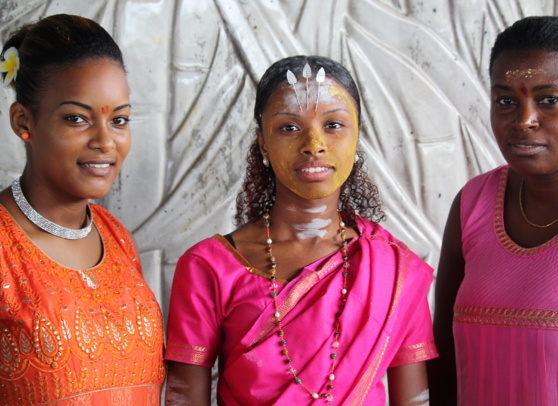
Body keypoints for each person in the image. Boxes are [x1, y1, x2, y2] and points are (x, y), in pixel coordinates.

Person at [164, 55, 437, 405]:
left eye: (334, 125)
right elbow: (185, 397)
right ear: (263, 142)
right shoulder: (209, 266)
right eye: (289, 128)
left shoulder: (392, 267)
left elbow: (414, 400)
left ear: (357, 138)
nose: (314, 144)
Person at [428, 16, 558, 405]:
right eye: (506, 101)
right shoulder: (472, 204)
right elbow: (441, 360)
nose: (523, 120)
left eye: (548, 100)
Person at [0, 14, 165, 405]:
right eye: (77, 119)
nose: (105, 141)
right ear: (24, 121)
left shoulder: (116, 237)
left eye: (119, 120)